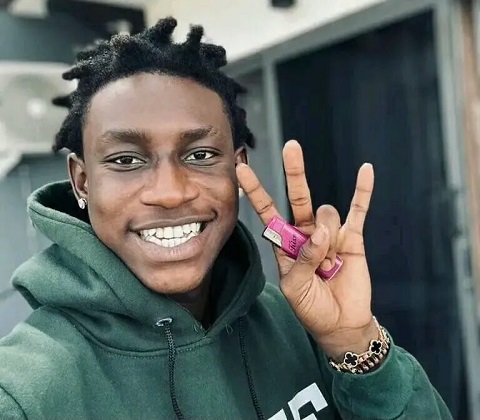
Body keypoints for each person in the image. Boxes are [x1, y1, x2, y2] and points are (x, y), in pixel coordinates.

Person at [0, 17, 452, 419]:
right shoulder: (26, 393)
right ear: (82, 181)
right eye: (126, 160)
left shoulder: (295, 321)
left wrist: (355, 343)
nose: (170, 193)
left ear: (237, 170)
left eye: (199, 155)